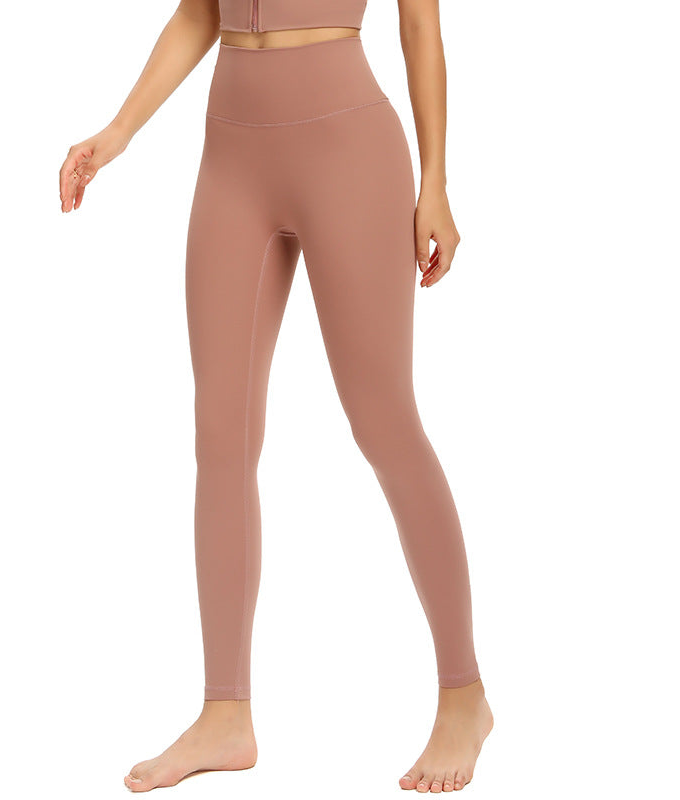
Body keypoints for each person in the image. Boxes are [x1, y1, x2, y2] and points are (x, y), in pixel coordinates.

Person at [58, 0, 493, 792]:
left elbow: (420, 25)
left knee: (385, 423)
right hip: (232, 154)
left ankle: (464, 695)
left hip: (347, 143)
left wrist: (435, 182)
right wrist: (118, 131)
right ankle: (225, 713)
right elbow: (199, 13)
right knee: (220, 434)